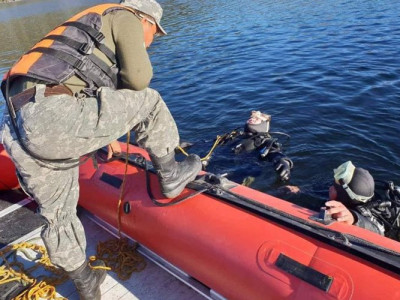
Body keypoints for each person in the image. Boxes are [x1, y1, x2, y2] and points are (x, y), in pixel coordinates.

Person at [0, 0, 201, 299]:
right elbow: (138, 79)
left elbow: (74, 85)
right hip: (52, 116)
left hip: (17, 125)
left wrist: (105, 136)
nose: (150, 41)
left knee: (58, 215)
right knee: (151, 99)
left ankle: (86, 284)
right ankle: (170, 175)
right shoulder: (126, 16)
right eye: (154, 35)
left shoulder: (87, 24)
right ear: (146, 20)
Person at [284, 161, 400, 240]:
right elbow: (323, 189)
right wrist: (301, 190)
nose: (330, 187)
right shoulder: (367, 196)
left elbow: (377, 230)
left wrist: (354, 218)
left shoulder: (365, 214)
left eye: (334, 187)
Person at [203, 110, 293, 181]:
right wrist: (191, 144)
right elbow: (212, 144)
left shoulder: (264, 141)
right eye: (251, 117)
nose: (251, 119)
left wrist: (284, 161)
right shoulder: (235, 135)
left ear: (263, 124)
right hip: (217, 164)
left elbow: (274, 153)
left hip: (241, 171)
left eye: (257, 119)